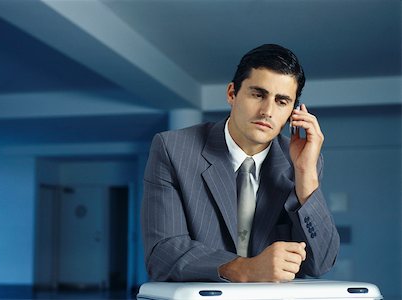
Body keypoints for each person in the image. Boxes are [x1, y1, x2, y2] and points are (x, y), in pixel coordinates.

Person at [141, 44, 340, 283]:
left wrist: (305, 173)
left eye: (282, 101)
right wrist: (245, 268)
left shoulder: (302, 162)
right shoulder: (173, 149)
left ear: (292, 113)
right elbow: (162, 254)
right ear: (231, 93)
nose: (267, 111)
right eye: (258, 94)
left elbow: (320, 263)